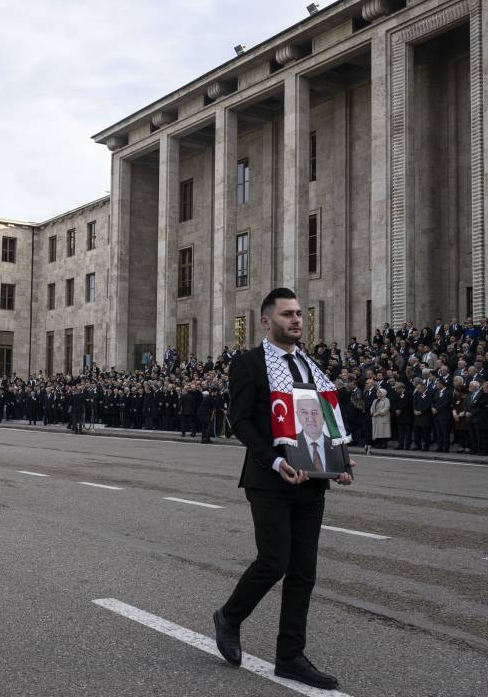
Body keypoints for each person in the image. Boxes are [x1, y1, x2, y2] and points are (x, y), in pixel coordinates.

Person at [213, 288, 353, 691]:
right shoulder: (249, 364)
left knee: (304, 571)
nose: (296, 320)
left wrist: (338, 461)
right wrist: (275, 460)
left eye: (299, 314)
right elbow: (240, 421)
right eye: (288, 314)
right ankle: (230, 616)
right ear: (266, 321)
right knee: (274, 561)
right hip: (269, 479)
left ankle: (290, 656)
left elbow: (321, 421)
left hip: (311, 482)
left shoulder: (311, 367)